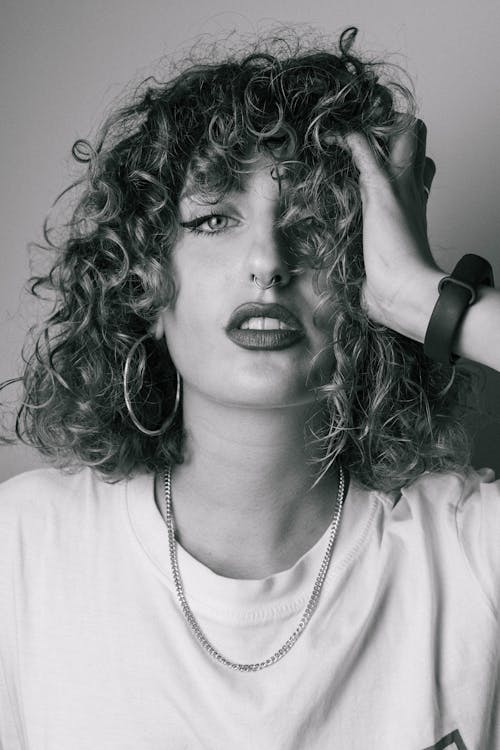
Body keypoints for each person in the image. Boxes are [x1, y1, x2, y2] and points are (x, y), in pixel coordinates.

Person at [0, 26, 499, 749]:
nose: (267, 261)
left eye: (315, 224)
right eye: (212, 219)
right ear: (141, 279)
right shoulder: (21, 550)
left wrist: (428, 300)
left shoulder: (467, 554)